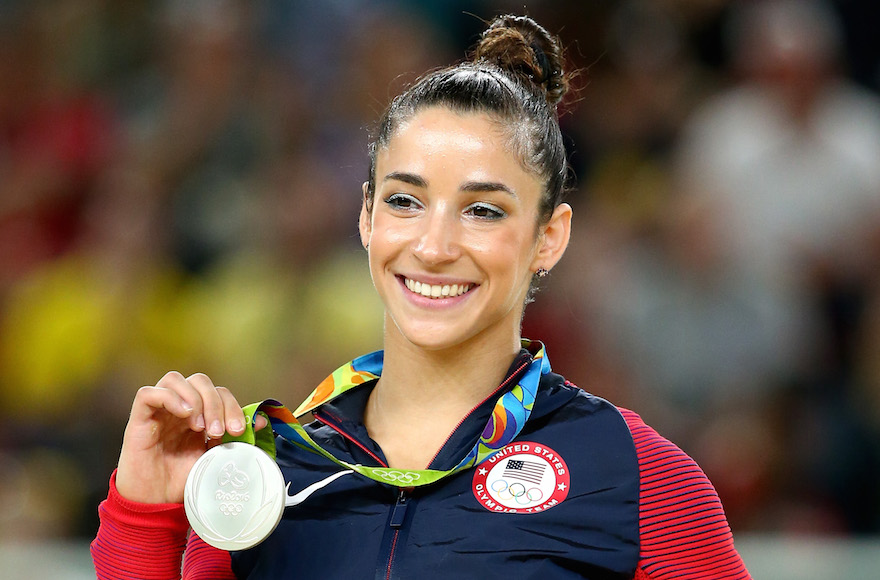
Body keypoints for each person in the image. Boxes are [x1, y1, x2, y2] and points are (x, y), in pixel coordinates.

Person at [91, 14, 751, 579]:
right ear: (367, 219)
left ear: (549, 238)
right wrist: (144, 515)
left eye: (483, 210)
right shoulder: (262, 476)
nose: (434, 246)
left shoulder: (634, 476)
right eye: (405, 201)